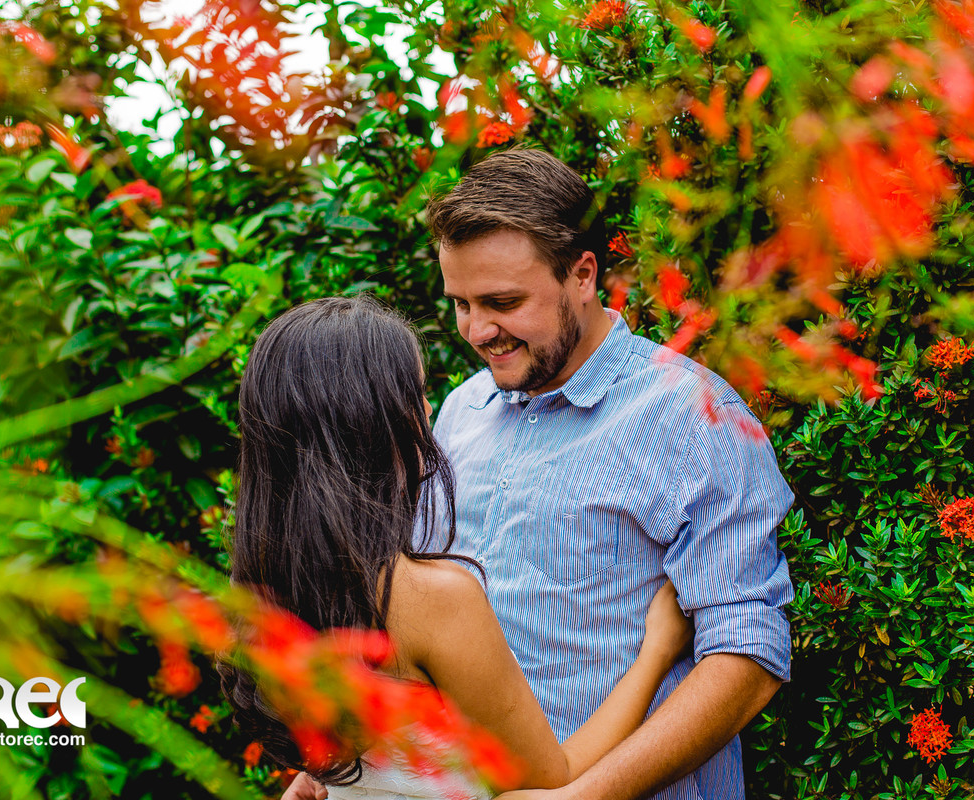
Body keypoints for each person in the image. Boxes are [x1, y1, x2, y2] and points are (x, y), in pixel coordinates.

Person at [222, 295, 694, 799]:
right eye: (413, 394)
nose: (428, 410)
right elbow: (552, 778)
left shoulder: (266, 595)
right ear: (369, 421)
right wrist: (656, 653)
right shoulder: (432, 598)